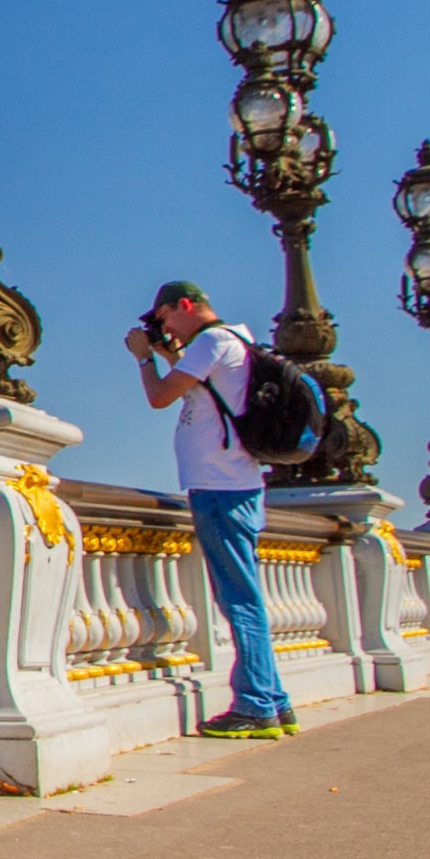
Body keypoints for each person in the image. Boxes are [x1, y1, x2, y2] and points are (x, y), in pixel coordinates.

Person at [122, 280, 295, 740]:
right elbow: (194, 383)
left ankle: (256, 705)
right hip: (236, 483)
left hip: (220, 486)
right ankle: (274, 701)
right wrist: (166, 351)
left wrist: (144, 357)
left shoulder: (214, 341)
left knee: (239, 599)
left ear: (184, 306)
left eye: (163, 320)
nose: (164, 328)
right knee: (246, 594)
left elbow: (161, 396)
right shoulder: (234, 341)